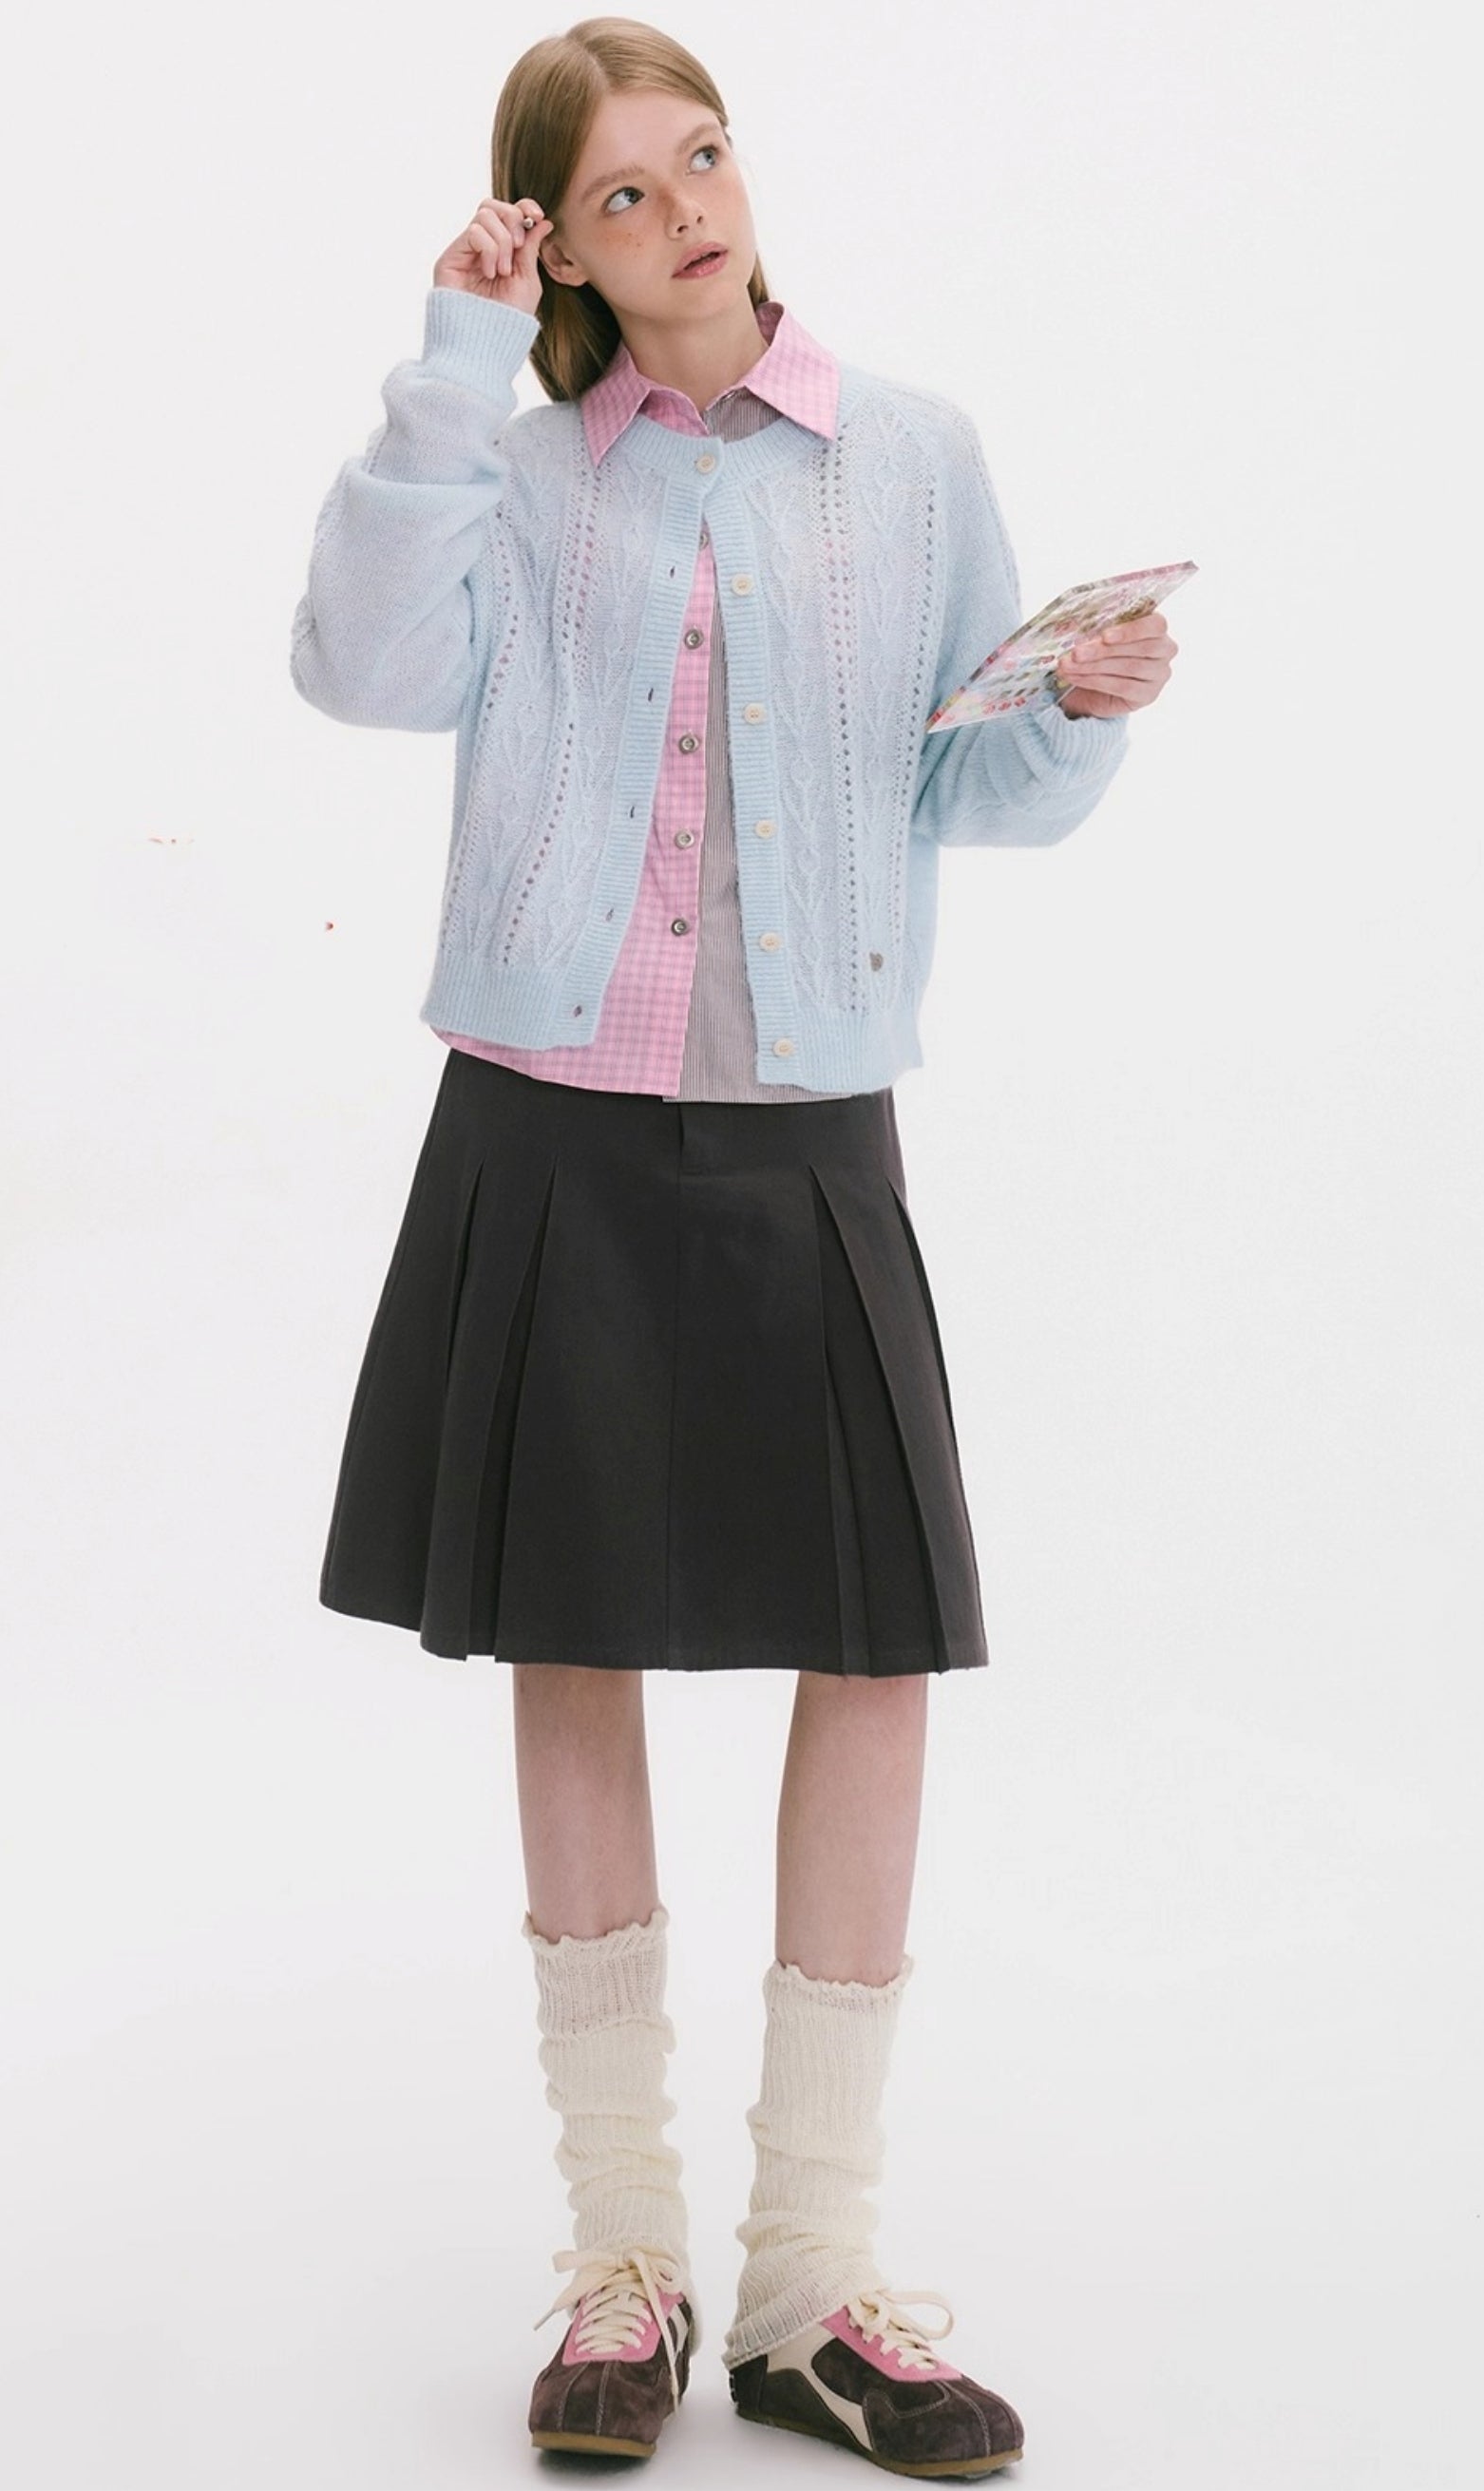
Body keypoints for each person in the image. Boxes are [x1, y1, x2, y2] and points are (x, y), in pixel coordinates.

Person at [290, 14, 1177, 2475]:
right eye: (621, 190)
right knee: (564, 1635)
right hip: (549, 1117)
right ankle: (626, 2259)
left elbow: (974, 785)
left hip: (810, 1121)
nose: (686, 207)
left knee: (873, 1652)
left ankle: (806, 2280)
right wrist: (449, 364)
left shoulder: (912, 456)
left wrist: (1083, 701)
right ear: (559, 248)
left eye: (702, 155)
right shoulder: (511, 470)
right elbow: (360, 668)